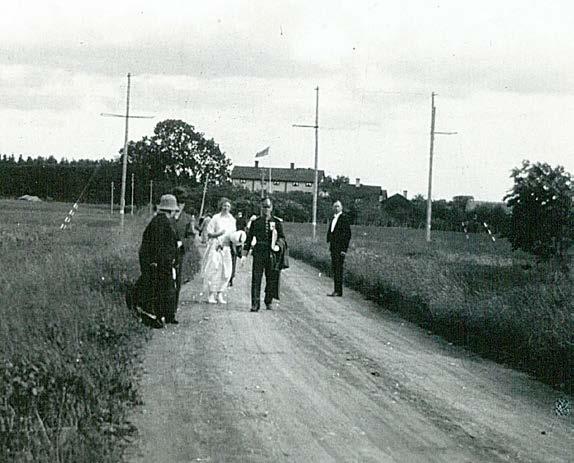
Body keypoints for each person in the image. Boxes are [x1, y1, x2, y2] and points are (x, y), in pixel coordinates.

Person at [137, 194, 181, 326]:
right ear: (171, 210)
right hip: (158, 263)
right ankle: (154, 316)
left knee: (162, 288)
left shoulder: (159, 221)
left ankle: (161, 315)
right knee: (159, 289)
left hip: (157, 261)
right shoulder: (162, 223)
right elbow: (160, 246)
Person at [243, 197, 286, 312]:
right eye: (264, 207)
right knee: (256, 278)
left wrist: (278, 245)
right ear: (261, 208)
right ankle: (255, 303)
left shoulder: (276, 222)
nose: (266, 209)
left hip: (271, 253)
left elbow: (282, 237)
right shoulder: (256, 222)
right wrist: (244, 254)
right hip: (259, 252)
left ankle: (268, 300)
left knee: (271, 278)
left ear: (271, 208)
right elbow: (249, 238)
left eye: (268, 207)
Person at [200, 198, 236, 304]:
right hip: (215, 246)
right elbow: (209, 233)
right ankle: (211, 294)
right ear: (221, 206)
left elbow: (233, 234)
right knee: (214, 269)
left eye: (228, 206)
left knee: (226, 271)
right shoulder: (216, 218)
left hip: (226, 247)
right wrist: (218, 234)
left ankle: (220, 293)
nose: (226, 208)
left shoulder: (232, 220)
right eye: (224, 206)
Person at [326, 200, 352, 297]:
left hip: (340, 248)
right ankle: (336, 290)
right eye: (335, 206)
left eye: (338, 206)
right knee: (335, 269)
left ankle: (338, 291)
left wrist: (344, 250)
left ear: (341, 208)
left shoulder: (344, 219)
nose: (336, 208)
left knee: (338, 269)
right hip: (333, 247)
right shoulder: (333, 218)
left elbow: (347, 235)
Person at [229, 211, 247, 287]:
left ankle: (230, 278)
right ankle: (230, 278)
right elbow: (245, 228)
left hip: (238, 238)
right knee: (233, 260)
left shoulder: (236, 220)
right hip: (236, 238)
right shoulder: (238, 220)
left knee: (233, 260)